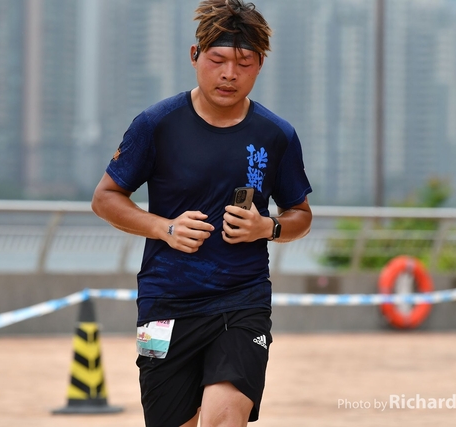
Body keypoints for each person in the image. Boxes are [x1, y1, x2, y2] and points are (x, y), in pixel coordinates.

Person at [91, 1, 312, 425]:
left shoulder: (276, 134)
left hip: (243, 301)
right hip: (163, 303)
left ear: (259, 66)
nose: (230, 74)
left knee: (222, 418)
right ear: (195, 56)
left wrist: (267, 227)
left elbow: (300, 214)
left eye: (244, 64)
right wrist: (165, 228)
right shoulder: (156, 124)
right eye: (218, 60)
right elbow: (105, 198)